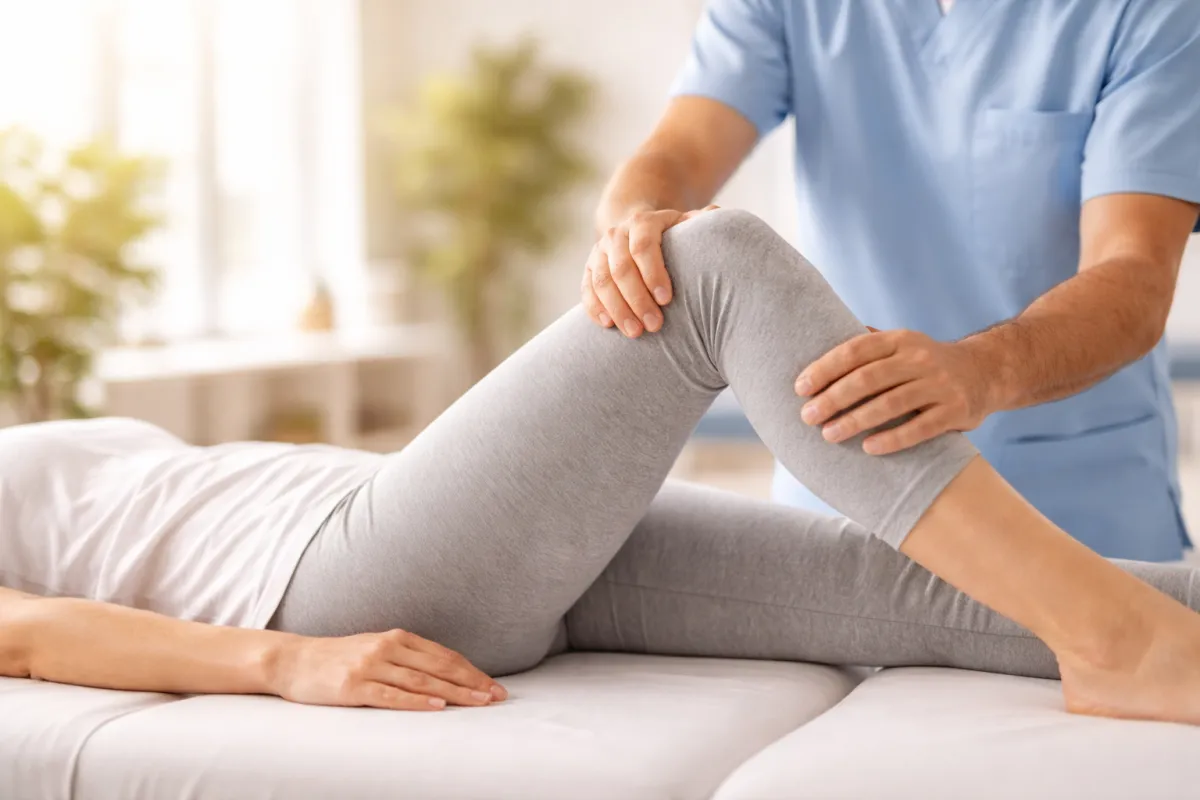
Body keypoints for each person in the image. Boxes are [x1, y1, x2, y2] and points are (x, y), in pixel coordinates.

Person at [4, 210, 1200, 724]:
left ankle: (1145, 627)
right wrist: (287, 662)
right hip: (336, 582)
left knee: (896, 583)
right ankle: (1120, 644)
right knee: (708, 263)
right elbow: (24, 635)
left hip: (398, 522)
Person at [584, 0, 1200, 561]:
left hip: (1080, 525)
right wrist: (635, 224)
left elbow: (1134, 272)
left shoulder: (1154, 13)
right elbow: (680, 150)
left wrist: (984, 368)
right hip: (842, 510)